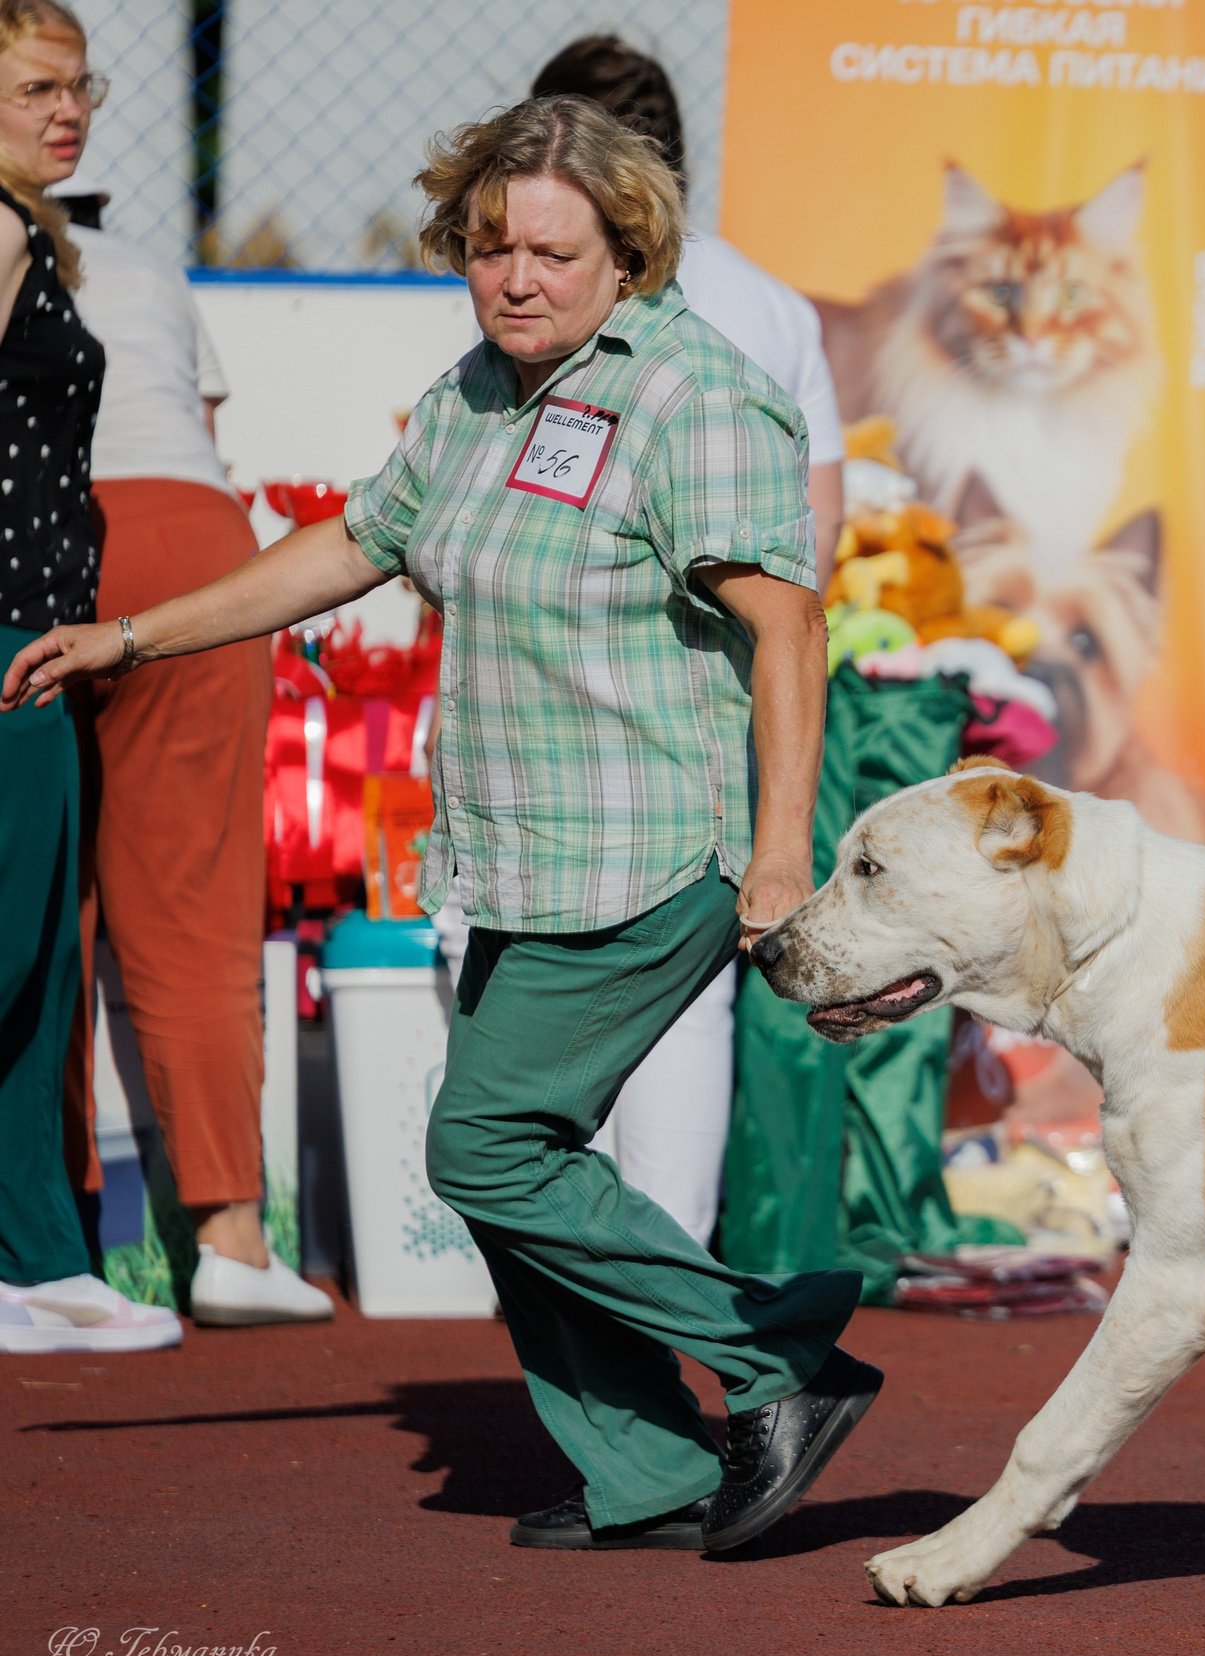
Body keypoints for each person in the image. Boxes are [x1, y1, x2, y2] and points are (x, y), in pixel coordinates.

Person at [3, 94, 879, 1550]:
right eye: (488, 248)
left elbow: (788, 634)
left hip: (654, 852)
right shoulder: (479, 390)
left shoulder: (694, 394)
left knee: (484, 1145)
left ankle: (774, 1357)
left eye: (548, 249)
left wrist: (782, 856)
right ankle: (648, 1471)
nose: (515, 276)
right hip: (515, 857)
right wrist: (133, 635)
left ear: (626, 252)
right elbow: (355, 543)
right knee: (515, 1170)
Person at [530, 32, 845, 1250]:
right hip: (714, 711)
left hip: (563, 710)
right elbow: (819, 537)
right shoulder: (772, 303)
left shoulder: (548, 284)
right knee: (679, 1003)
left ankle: (587, 1301)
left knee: (534, 1020)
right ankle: (664, 1288)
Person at [59, 160, 332, 1327]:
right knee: (195, 910)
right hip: (192, 542)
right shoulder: (145, 269)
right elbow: (203, 436)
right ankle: (229, 1237)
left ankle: (50, 1238)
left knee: (35, 908)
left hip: (49, 542)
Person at [0, 0, 177, 1354]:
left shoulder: (33, 234)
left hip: (35, 637)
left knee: (35, 972)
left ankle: (41, 1259)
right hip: (6, 642)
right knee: (10, 959)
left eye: (84, 86)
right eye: (41, 88)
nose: (75, 111)